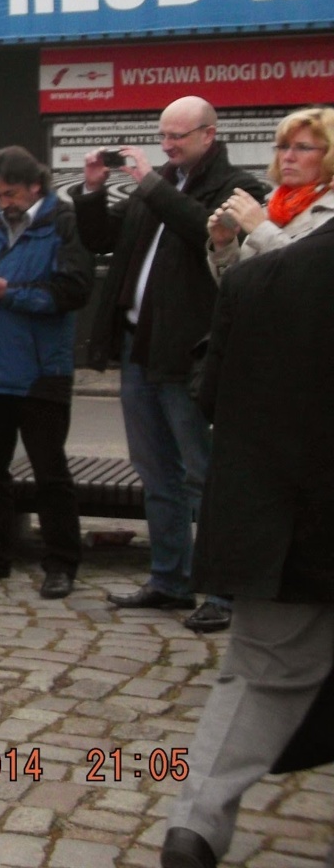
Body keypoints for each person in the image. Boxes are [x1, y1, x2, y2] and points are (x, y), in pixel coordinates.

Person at [159, 221, 334, 868]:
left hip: (279, 520)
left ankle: (195, 824)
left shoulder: (259, 278)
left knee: (259, 676)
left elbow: (212, 394)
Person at [72, 95, 265, 634]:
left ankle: (222, 591)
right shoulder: (156, 188)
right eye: (162, 134)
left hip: (189, 355)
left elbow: (206, 231)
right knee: (156, 473)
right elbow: (100, 239)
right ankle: (169, 580)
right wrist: (92, 190)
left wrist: (151, 185)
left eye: (178, 135)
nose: (167, 144)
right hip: (139, 348)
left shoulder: (236, 189)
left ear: (209, 134)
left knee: (205, 476)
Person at [0, 147, 92, 599]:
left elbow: (72, 291)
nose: (3, 202)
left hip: (41, 372)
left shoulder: (63, 225)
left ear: (35, 186)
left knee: (50, 474)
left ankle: (61, 563)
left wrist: (9, 293)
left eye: (10, 193)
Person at [207, 104, 334, 280]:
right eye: (283, 147)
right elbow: (234, 288)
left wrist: (261, 229)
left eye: (303, 147)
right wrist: (224, 245)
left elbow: (312, 277)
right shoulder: (272, 205)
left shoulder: (329, 210)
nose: (288, 157)